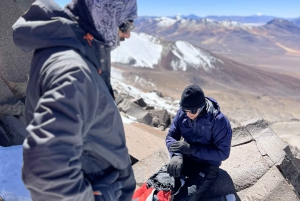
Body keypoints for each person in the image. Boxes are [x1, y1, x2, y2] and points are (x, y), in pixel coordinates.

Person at [12, 0, 137, 200]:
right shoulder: (72, 72)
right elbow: (44, 173)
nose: (128, 34)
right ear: (103, 16)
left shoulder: (74, 53)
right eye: (125, 24)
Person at [166, 84, 233, 201]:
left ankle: (225, 199)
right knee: (159, 185)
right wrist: (176, 156)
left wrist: (192, 149)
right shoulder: (183, 113)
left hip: (207, 166)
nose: (188, 114)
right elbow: (171, 136)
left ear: (202, 107)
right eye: (184, 110)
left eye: (192, 110)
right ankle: (180, 181)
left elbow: (223, 153)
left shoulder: (218, 121)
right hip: (186, 159)